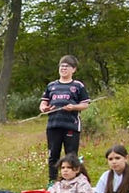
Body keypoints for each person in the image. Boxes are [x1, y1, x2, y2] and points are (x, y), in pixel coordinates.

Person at [39, 55, 91, 183]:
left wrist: (73, 107)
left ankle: (74, 181)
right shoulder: (51, 86)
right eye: (61, 66)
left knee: (71, 156)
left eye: (67, 66)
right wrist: (45, 108)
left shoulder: (78, 85)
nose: (63, 68)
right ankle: (52, 182)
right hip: (53, 126)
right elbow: (43, 104)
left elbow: (85, 104)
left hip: (71, 126)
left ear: (73, 69)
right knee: (53, 155)